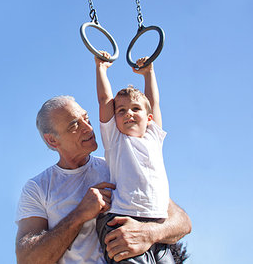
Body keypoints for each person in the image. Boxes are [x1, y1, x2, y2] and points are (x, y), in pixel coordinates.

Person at [15, 96, 191, 264]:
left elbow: (182, 221)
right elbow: (27, 260)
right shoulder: (37, 188)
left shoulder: (117, 166)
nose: (88, 128)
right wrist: (79, 214)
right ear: (52, 140)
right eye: (74, 125)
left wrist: (149, 234)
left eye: (86, 118)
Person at [95, 51, 173, 263]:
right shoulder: (116, 140)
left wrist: (148, 73)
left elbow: (153, 103)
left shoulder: (154, 136)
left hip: (158, 224)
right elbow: (104, 100)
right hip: (123, 218)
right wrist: (101, 68)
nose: (128, 113)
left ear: (148, 118)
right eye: (121, 110)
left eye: (135, 109)